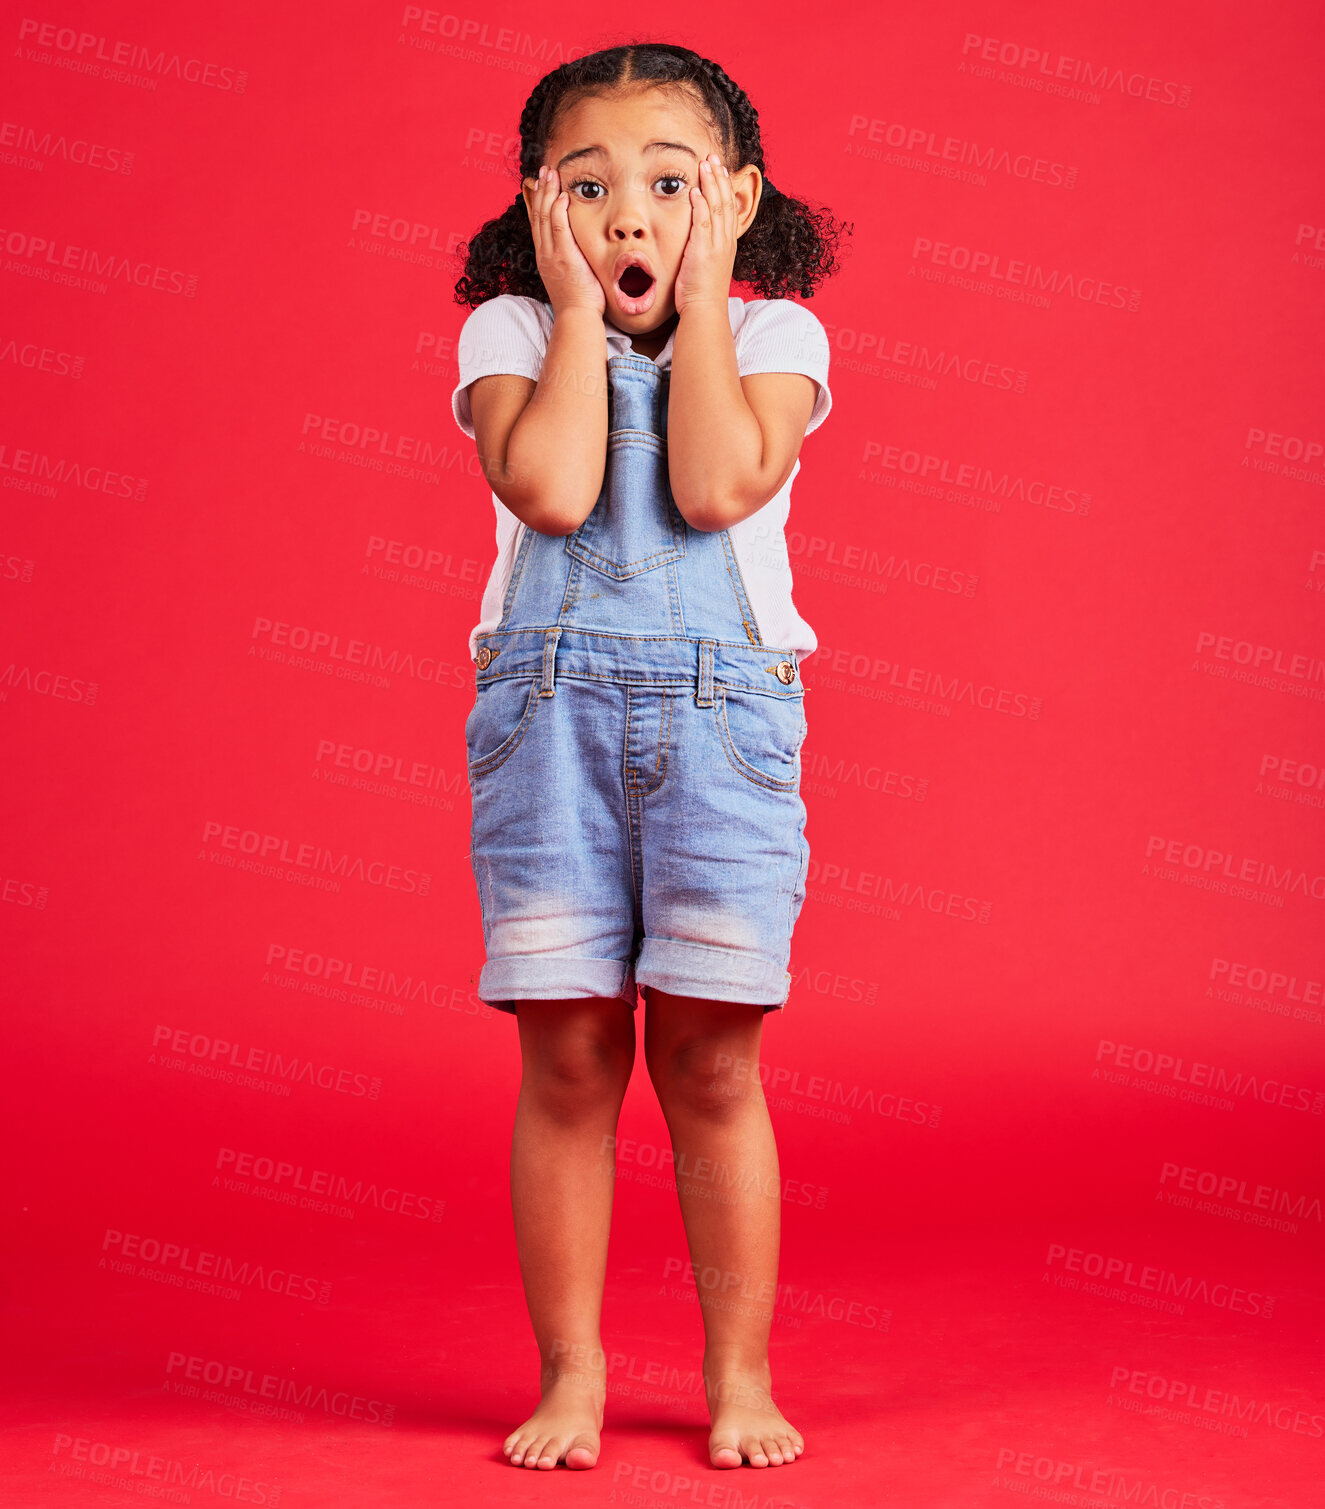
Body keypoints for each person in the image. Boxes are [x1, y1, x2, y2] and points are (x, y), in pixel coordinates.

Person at [449, 41, 849, 1474]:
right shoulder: (507, 332)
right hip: (548, 720)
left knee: (712, 1059)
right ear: (537, 207)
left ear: (735, 200)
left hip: (721, 725)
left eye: (669, 184)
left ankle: (737, 1373)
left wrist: (701, 305)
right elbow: (554, 491)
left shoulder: (774, 342)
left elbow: (710, 481)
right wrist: (570, 310)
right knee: (564, 1058)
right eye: (588, 185)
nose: (627, 214)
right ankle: (574, 1374)